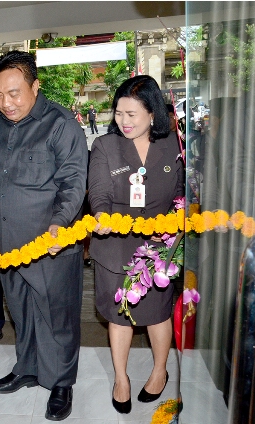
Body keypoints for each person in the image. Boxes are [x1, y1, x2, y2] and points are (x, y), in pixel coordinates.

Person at [0, 50, 88, 422]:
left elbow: (74, 182)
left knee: (56, 313)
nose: (5, 103)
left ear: (35, 85)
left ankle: (61, 382)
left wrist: (59, 223)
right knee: (21, 309)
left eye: (14, 93)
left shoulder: (61, 124)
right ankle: (28, 368)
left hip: (50, 244)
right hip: (9, 242)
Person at [87, 75, 184, 414]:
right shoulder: (105, 146)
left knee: (158, 315)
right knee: (119, 316)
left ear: (153, 115)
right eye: (118, 113)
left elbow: (181, 194)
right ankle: (121, 377)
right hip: (116, 244)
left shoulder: (174, 144)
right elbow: (98, 193)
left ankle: (159, 371)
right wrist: (101, 217)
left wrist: (173, 224)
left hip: (159, 246)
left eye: (132, 115)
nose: (124, 122)